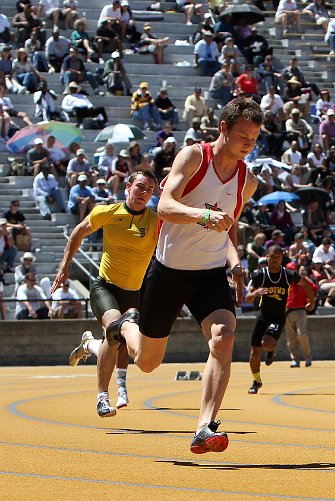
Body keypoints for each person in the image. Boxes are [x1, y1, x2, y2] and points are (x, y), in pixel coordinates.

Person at [100, 98, 261, 454]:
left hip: (209, 273)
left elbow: (229, 226)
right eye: (242, 135)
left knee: (224, 336)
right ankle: (126, 325)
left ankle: (205, 426)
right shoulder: (193, 157)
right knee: (147, 363)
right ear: (223, 128)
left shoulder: (247, 180)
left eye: (254, 137)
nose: (248, 143)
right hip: (169, 271)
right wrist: (202, 216)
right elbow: (165, 206)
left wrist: (234, 262)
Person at [59, 170, 158, 417]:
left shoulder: (156, 220)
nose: (143, 193)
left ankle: (89, 345)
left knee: (114, 341)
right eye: (140, 187)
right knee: (114, 329)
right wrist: (64, 267)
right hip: (105, 287)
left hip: (134, 292)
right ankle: (103, 397)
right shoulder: (108, 212)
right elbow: (78, 232)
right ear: (128, 186)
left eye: (149, 190)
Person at [245, 246, 316, 394]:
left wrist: (312, 301)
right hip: (263, 315)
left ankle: (271, 349)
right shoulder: (260, 275)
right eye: (273, 256)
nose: (276, 258)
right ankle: (256, 380)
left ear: (283, 258)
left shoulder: (287, 274)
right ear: (267, 257)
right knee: (254, 352)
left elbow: (306, 284)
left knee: (267, 343)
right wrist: (256, 292)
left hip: (278, 317)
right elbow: (247, 297)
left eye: (279, 256)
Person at [284, 262, 317, 367]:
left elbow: (314, 288)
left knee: (302, 334)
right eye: (289, 270)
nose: (291, 272)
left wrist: (311, 301)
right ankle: (295, 359)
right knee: (291, 338)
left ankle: (308, 357)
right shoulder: (284, 282)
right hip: (287, 311)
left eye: (293, 270)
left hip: (300, 311)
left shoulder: (302, 281)